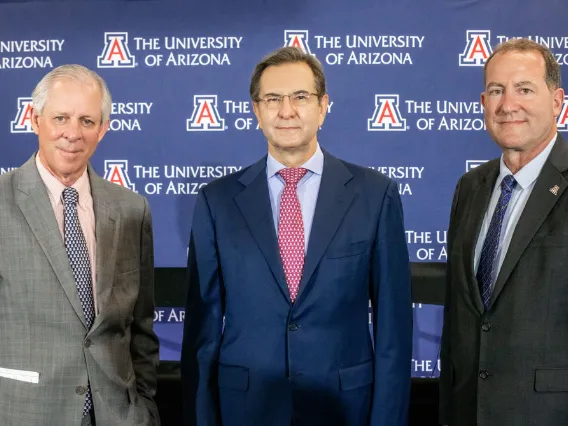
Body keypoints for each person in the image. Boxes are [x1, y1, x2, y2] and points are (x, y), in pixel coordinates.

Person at [182, 46, 412, 426]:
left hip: (344, 407)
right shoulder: (216, 202)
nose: (286, 111)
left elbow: (393, 330)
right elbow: (202, 333)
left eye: (300, 97)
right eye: (272, 99)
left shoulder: (375, 195)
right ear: (256, 111)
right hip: (246, 408)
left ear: (323, 106)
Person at [0, 64, 160, 426]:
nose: (73, 133)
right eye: (61, 118)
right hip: (22, 412)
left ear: (103, 129)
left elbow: (141, 325)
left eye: (87, 121)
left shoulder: (132, 209)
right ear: (34, 119)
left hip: (118, 416)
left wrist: (144, 405)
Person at [439, 38, 568, 426]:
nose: (508, 104)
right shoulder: (469, 187)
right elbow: (463, 318)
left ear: (558, 101)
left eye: (524, 89)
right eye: (496, 90)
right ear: (482, 104)